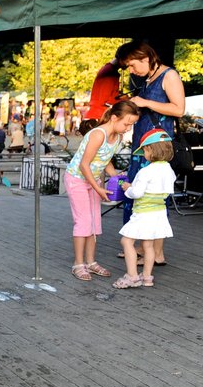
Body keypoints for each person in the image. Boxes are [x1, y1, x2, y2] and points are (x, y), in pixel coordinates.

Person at [117, 41, 185, 266]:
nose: (131, 70)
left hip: (157, 147)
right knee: (141, 197)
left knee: (153, 197)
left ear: (145, 57)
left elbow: (179, 109)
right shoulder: (148, 78)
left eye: (132, 65)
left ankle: (155, 253)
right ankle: (141, 247)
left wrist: (144, 101)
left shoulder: (169, 75)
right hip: (143, 145)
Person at [64, 101, 139, 281]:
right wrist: (99, 188)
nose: (128, 128)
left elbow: (105, 160)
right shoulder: (98, 134)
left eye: (132, 125)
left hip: (93, 179)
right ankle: (78, 263)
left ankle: (90, 262)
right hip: (78, 179)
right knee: (83, 221)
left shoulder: (117, 137)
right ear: (114, 118)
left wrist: (115, 178)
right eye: (126, 123)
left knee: (94, 222)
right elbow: (84, 165)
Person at [114, 130, 175, 289]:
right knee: (148, 245)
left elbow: (137, 193)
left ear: (151, 150)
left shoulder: (146, 171)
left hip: (143, 213)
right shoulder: (169, 170)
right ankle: (147, 277)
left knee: (126, 241)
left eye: (145, 150)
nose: (144, 154)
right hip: (159, 212)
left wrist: (128, 188)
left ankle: (132, 276)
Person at [82, 55, 122, 135]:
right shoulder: (110, 72)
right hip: (100, 114)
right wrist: (124, 100)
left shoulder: (107, 70)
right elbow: (105, 100)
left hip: (97, 114)